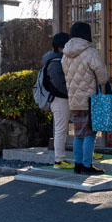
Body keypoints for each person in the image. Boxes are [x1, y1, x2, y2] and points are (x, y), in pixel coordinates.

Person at [60, 21, 109, 176]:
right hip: (90, 99)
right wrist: (103, 84)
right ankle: (87, 165)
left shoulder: (66, 54)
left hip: (74, 99)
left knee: (79, 133)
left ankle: (78, 165)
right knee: (90, 133)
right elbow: (102, 76)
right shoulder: (90, 52)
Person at [42, 31, 70, 168]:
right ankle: (59, 160)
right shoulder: (56, 63)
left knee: (61, 129)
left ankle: (60, 159)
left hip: (59, 99)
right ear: (60, 48)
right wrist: (72, 93)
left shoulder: (53, 60)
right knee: (60, 130)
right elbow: (60, 85)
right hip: (60, 100)